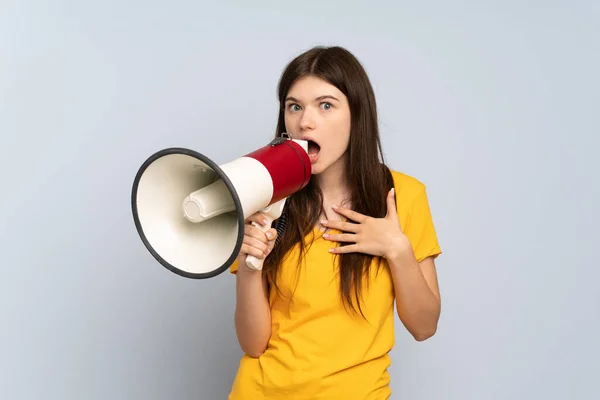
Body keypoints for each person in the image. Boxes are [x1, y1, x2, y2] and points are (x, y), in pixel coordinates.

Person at [227, 46, 442, 400]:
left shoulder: (403, 196)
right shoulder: (265, 198)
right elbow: (254, 344)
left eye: (325, 105)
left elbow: (424, 326)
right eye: (294, 106)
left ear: (357, 115)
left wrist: (396, 248)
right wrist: (251, 268)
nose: (305, 122)